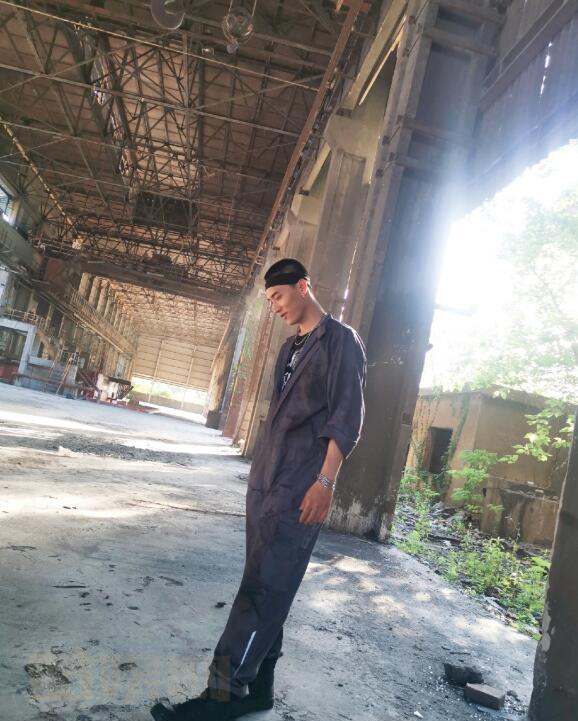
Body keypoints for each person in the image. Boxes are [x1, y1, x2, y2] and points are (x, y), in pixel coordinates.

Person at [152, 258, 366, 721]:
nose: (275, 306)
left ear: (303, 286)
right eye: (269, 301)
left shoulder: (340, 341)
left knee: (261, 589)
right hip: (268, 480)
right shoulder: (289, 348)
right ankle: (260, 688)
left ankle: (222, 695)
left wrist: (325, 481)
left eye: (279, 296)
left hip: (302, 485)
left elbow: (346, 416)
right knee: (271, 583)